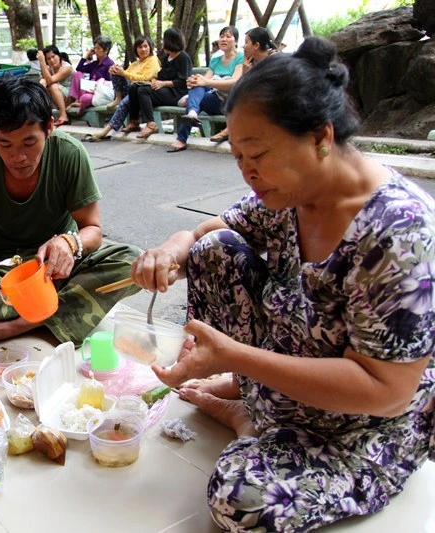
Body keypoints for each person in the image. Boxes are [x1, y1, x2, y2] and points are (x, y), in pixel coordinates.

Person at [131, 37, 435, 531]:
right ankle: (254, 401)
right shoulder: (292, 194)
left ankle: (248, 413)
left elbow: (385, 391)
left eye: (257, 155)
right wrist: (171, 248)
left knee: (240, 497)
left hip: (368, 424)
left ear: (320, 136)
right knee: (214, 252)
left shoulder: (399, 231)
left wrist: (235, 356)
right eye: (236, 158)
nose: (248, 173)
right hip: (293, 377)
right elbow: (207, 232)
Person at [0, 77, 141, 350]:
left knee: (132, 262)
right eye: (5, 144)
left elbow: (93, 230)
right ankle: (59, 310)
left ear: (49, 127)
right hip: (3, 275)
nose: (18, 156)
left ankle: (23, 323)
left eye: (29, 143)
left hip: (58, 270)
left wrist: (69, 242)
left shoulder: (69, 154)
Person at [167, 26, 243, 153]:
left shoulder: (240, 58)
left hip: (229, 101)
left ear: (235, 41)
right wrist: (195, 81)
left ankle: (182, 135)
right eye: (221, 36)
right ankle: (192, 114)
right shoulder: (215, 60)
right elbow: (204, 81)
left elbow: (234, 83)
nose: (224, 39)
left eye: (228, 36)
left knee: (199, 86)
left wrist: (206, 82)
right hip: (214, 99)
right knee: (197, 83)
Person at [84, 35, 162, 142]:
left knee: (125, 103)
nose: (143, 49)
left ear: (150, 47)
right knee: (116, 71)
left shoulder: (153, 60)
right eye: (140, 47)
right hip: (132, 91)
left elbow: (145, 79)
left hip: (145, 94)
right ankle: (118, 97)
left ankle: (105, 131)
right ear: (136, 50)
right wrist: (117, 70)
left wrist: (124, 73)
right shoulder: (135, 64)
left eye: (145, 46)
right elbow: (126, 76)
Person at [207, 27, 279, 144]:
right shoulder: (251, 61)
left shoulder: (274, 60)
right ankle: (232, 130)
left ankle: (230, 130)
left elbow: (271, 86)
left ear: (256, 46)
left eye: (246, 43)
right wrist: (246, 70)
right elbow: (246, 86)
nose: (243, 47)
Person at [125, 29, 192, 141]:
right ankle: (134, 121)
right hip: (164, 90)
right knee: (134, 87)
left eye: (164, 39)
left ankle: (151, 124)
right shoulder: (166, 58)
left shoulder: (183, 57)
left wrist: (164, 83)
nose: (162, 42)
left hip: (177, 93)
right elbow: (160, 76)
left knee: (143, 90)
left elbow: (183, 81)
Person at [68, 36, 114, 113]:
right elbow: (79, 68)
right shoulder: (95, 64)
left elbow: (109, 85)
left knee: (86, 98)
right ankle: (78, 101)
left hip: (98, 93)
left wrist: (97, 86)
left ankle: (80, 104)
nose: (96, 51)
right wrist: (87, 54)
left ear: (106, 50)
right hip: (89, 89)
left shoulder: (109, 64)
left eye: (98, 48)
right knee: (77, 74)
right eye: (95, 48)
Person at [37, 45, 74, 127]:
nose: (52, 60)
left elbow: (50, 81)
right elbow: (46, 80)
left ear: (59, 55)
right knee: (43, 82)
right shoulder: (51, 68)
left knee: (52, 86)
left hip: (71, 97)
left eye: (53, 56)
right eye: (48, 59)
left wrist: (42, 62)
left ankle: (63, 115)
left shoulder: (66, 68)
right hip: (59, 96)